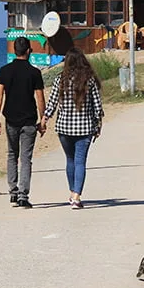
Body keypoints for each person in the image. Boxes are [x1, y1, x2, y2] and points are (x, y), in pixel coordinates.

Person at [41, 47, 104, 209]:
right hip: (85, 128)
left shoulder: (59, 80)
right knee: (80, 161)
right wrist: (98, 124)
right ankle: (76, 196)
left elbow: (52, 103)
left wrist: (45, 118)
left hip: (64, 128)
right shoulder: (89, 80)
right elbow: (97, 106)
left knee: (70, 160)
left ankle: (72, 192)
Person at [0, 36, 45, 209]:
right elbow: (40, 98)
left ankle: (13, 192)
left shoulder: (5, 71)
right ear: (29, 51)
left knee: (11, 154)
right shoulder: (34, 72)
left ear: (15, 51)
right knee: (25, 158)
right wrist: (43, 119)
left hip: (11, 119)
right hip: (29, 120)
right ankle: (23, 195)